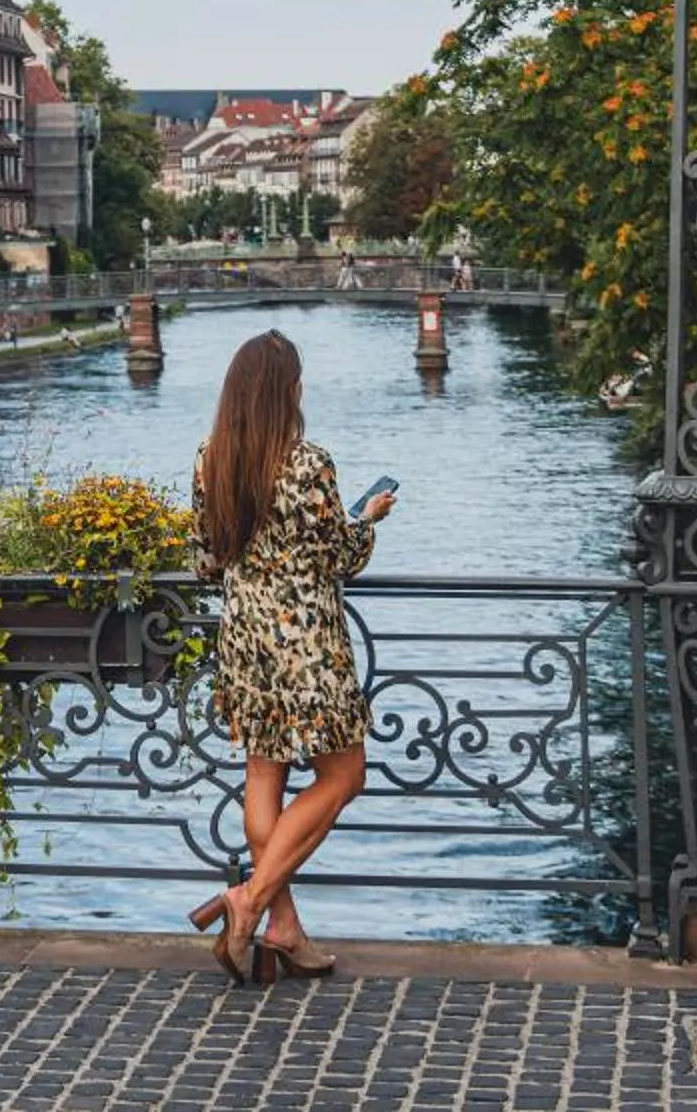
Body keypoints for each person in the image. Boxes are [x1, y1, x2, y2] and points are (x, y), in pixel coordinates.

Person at [187, 330, 394, 985]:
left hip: (244, 637)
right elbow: (340, 555)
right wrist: (369, 517)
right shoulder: (309, 464)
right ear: (287, 392)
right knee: (343, 776)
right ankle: (247, 901)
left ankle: (285, 930)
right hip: (304, 642)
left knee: (264, 776)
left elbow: (205, 558)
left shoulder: (208, 460)